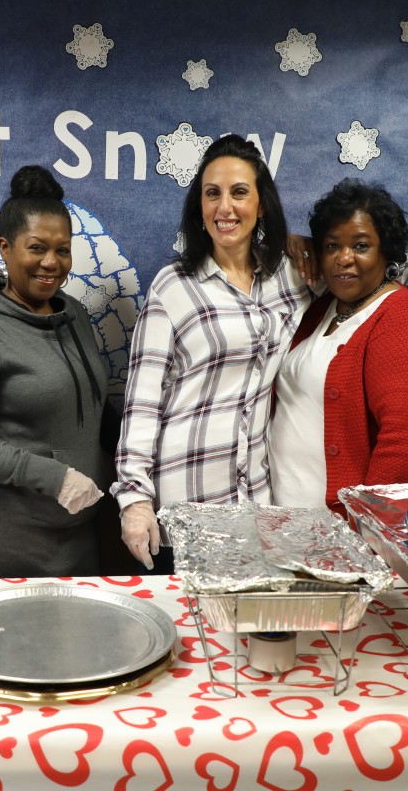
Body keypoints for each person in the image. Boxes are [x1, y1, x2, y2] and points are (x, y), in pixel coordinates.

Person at [113, 135, 316, 571]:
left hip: (259, 501)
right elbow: (142, 403)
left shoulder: (292, 276)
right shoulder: (174, 285)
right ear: (199, 206)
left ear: (262, 205)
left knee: (247, 634)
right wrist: (134, 501)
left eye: (239, 192)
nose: (225, 207)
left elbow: (368, 272)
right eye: (212, 194)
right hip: (187, 503)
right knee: (195, 634)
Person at [0, 166, 112, 578]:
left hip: (74, 536)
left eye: (63, 249)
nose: (52, 262)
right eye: (37, 248)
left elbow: (95, 409)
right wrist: (56, 477)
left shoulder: (76, 316)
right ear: (5, 248)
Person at [268, 180, 408, 513]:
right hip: (290, 529)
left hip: (349, 537)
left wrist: (363, 532)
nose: (344, 258)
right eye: (332, 246)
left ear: (387, 252)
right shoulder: (322, 307)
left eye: (361, 246)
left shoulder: (404, 322)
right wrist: (289, 242)